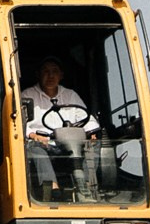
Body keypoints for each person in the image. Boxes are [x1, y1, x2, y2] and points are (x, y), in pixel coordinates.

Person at [21, 59, 97, 197]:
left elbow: (86, 118)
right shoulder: (27, 95)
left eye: (54, 71)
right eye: (46, 71)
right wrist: (33, 135)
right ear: (38, 74)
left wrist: (91, 132)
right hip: (43, 144)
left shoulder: (71, 95)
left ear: (61, 75)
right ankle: (52, 189)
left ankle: (86, 187)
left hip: (70, 144)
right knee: (37, 149)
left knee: (95, 146)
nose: (50, 76)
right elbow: (18, 124)